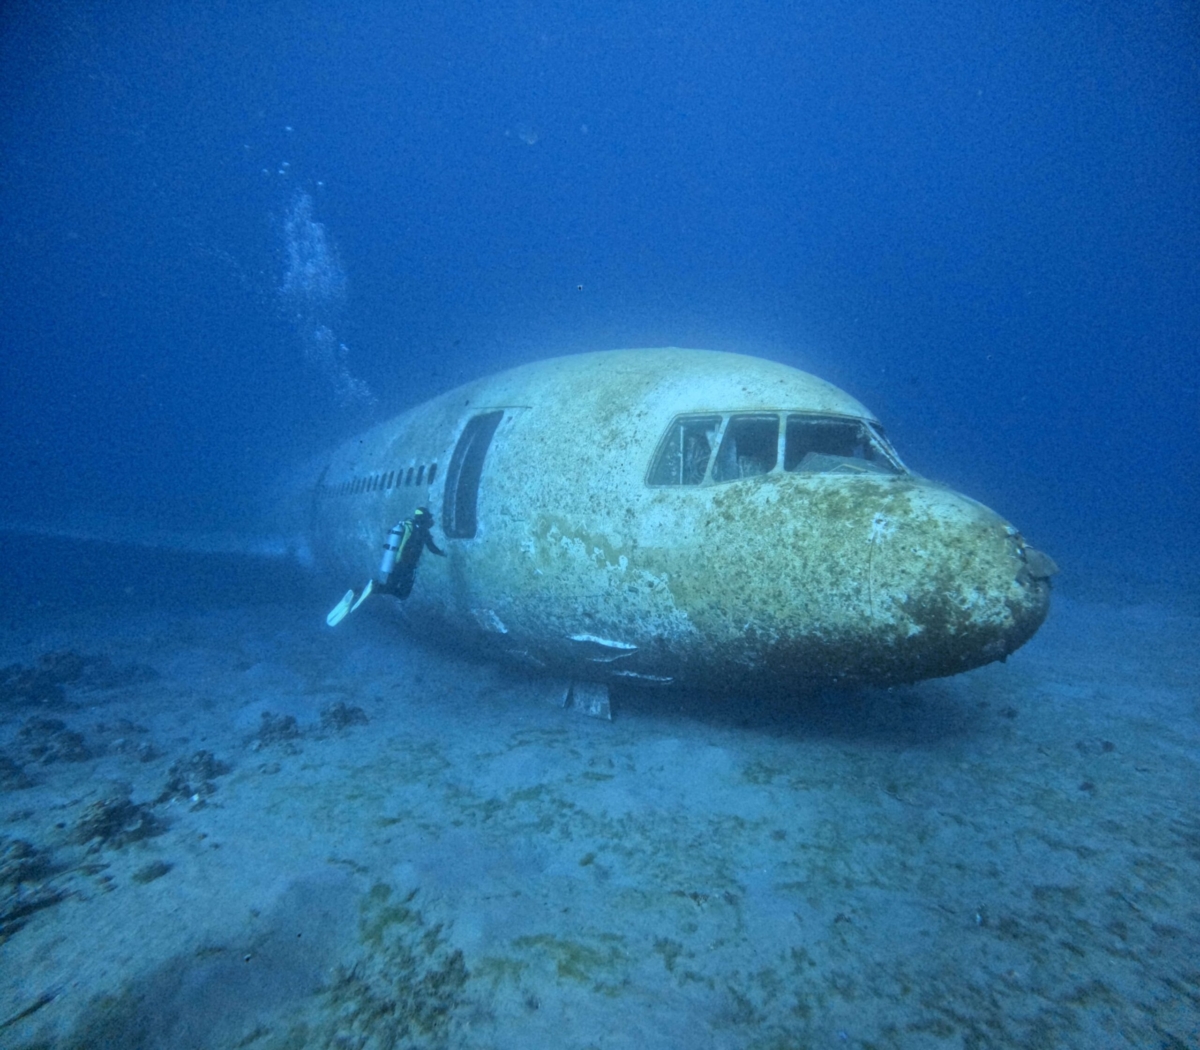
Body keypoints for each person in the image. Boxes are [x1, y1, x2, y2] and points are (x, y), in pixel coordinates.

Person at [326, 507, 446, 626]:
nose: (431, 520)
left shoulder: (406, 525)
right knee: (403, 594)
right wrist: (443, 553)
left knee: (390, 586)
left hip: (395, 564)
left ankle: (360, 590)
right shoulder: (423, 532)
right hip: (408, 567)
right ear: (424, 518)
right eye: (429, 517)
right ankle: (374, 587)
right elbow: (432, 548)